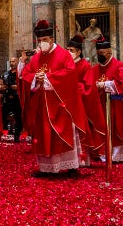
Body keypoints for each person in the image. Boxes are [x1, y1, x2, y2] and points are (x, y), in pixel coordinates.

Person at [21, 20, 82, 178]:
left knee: (61, 134)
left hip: (60, 104)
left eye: (45, 40)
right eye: (39, 41)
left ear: (52, 39)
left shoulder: (64, 55)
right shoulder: (36, 58)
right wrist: (35, 77)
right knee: (44, 135)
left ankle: (71, 166)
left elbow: (70, 75)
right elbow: (26, 75)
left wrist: (47, 78)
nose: (42, 43)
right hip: (42, 106)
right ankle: (47, 168)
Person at [89, 36, 123, 162]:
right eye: (98, 53)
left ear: (109, 52)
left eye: (102, 53)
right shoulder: (94, 68)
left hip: (114, 106)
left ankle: (117, 156)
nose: (99, 55)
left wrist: (105, 84)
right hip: (99, 105)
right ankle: (100, 153)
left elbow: (122, 84)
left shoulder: (120, 66)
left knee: (115, 128)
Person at [66, 35, 103, 167]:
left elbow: (89, 87)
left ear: (78, 52)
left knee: (80, 132)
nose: (68, 52)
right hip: (67, 104)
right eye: (67, 49)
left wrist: (75, 88)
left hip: (80, 104)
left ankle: (82, 159)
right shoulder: (66, 65)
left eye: (71, 50)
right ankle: (70, 159)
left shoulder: (84, 66)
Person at [1, 57, 23, 142]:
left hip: (17, 99)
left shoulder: (20, 74)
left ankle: (17, 137)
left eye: (13, 61)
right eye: (11, 61)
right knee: (3, 116)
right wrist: (2, 87)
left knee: (18, 117)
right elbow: (1, 84)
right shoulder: (6, 74)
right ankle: (2, 135)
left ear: (17, 62)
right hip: (7, 98)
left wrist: (18, 87)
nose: (12, 63)